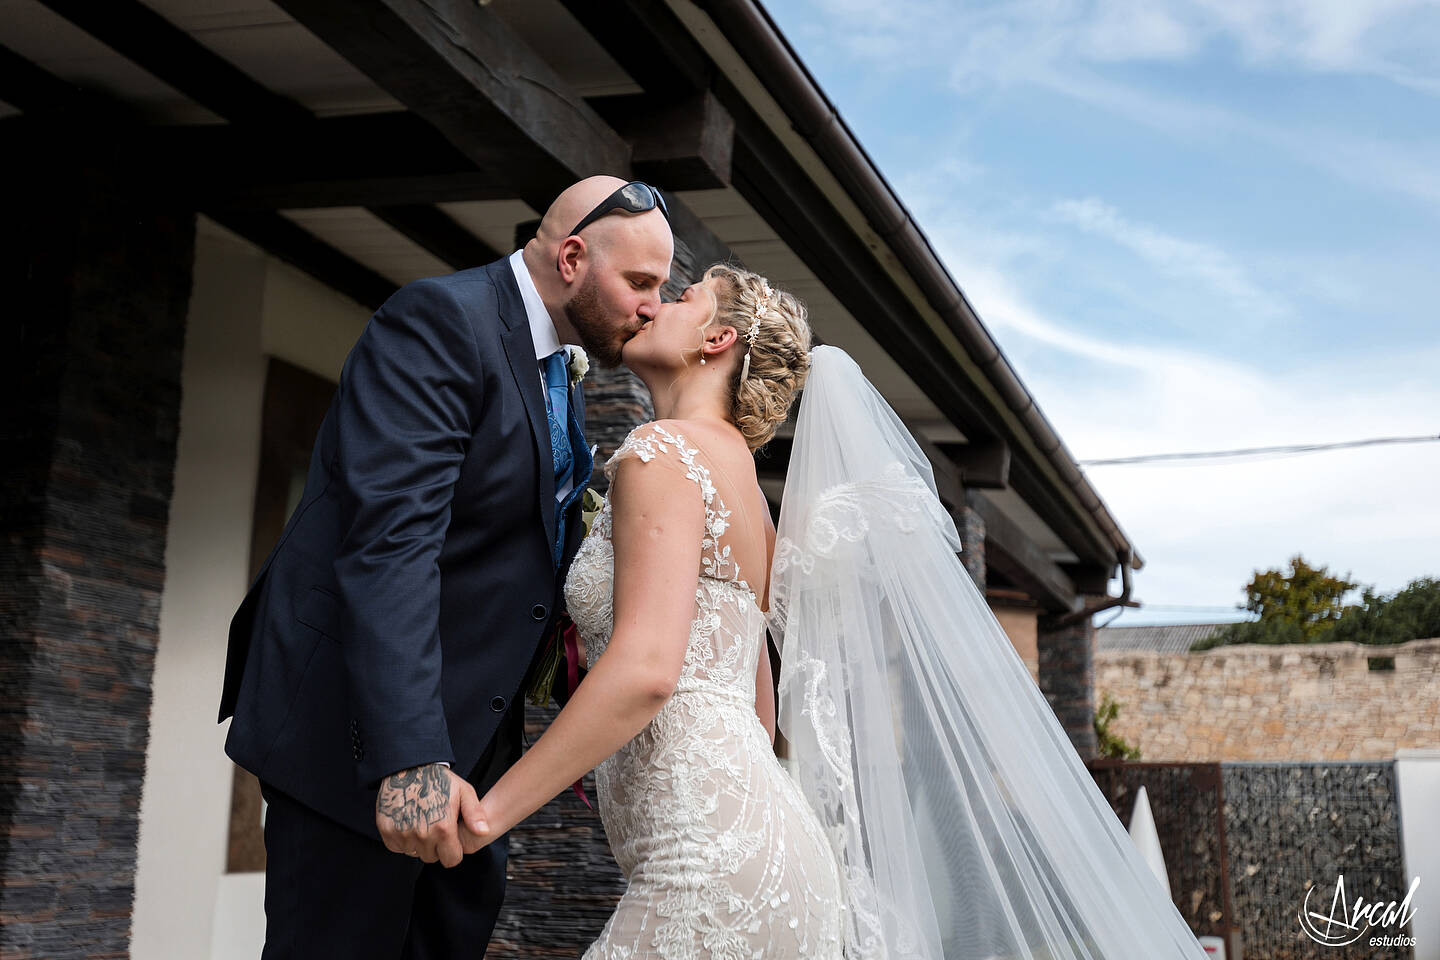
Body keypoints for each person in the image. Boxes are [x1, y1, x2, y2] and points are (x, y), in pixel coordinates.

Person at [465, 264, 1213, 958]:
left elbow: (648, 673)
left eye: (685, 294)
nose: (660, 298)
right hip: (781, 861)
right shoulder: (753, 505)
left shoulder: (663, 452)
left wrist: (490, 814)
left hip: (706, 864)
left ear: (716, 339)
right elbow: (755, 713)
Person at [216, 176, 673, 959]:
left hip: (477, 768)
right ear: (570, 258)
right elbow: (391, 544)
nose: (653, 306)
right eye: (641, 282)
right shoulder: (440, 323)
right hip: (360, 751)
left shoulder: (559, 371)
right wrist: (410, 758)